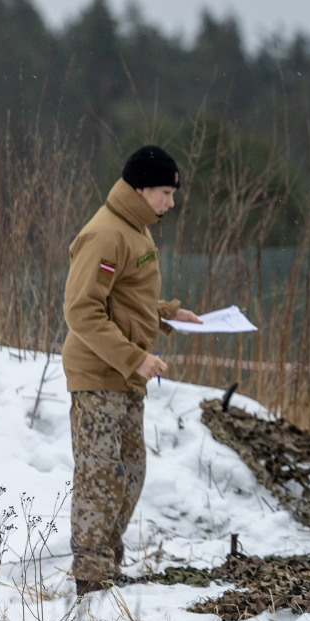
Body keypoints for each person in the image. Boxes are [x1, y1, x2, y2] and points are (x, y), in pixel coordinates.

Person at [62, 145, 200, 596]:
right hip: (100, 376)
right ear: (140, 190)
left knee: (129, 472)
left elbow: (125, 299)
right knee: (99, 475)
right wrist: (135, 357)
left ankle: (107, 559)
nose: (170, 203)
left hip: (125, 379)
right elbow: (82, 311)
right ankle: (91, 574)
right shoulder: (106, 234)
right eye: (165, 193)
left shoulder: (136, 229)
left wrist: (167, 314)